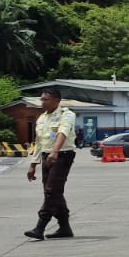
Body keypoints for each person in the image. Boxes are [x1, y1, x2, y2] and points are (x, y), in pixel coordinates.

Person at [24, 86, 78, 240]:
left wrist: (55, 151)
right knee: (54, 193)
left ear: (57, 100)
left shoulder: (67, 115)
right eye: (41, 99)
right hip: (46, 156)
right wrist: (33, 164)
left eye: (46, 99)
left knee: (51, 190)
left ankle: (40, 227)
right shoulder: (42, 118)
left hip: (62, 155)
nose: (42, 102)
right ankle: (65, 228)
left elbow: (63, 132)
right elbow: (39, 142)